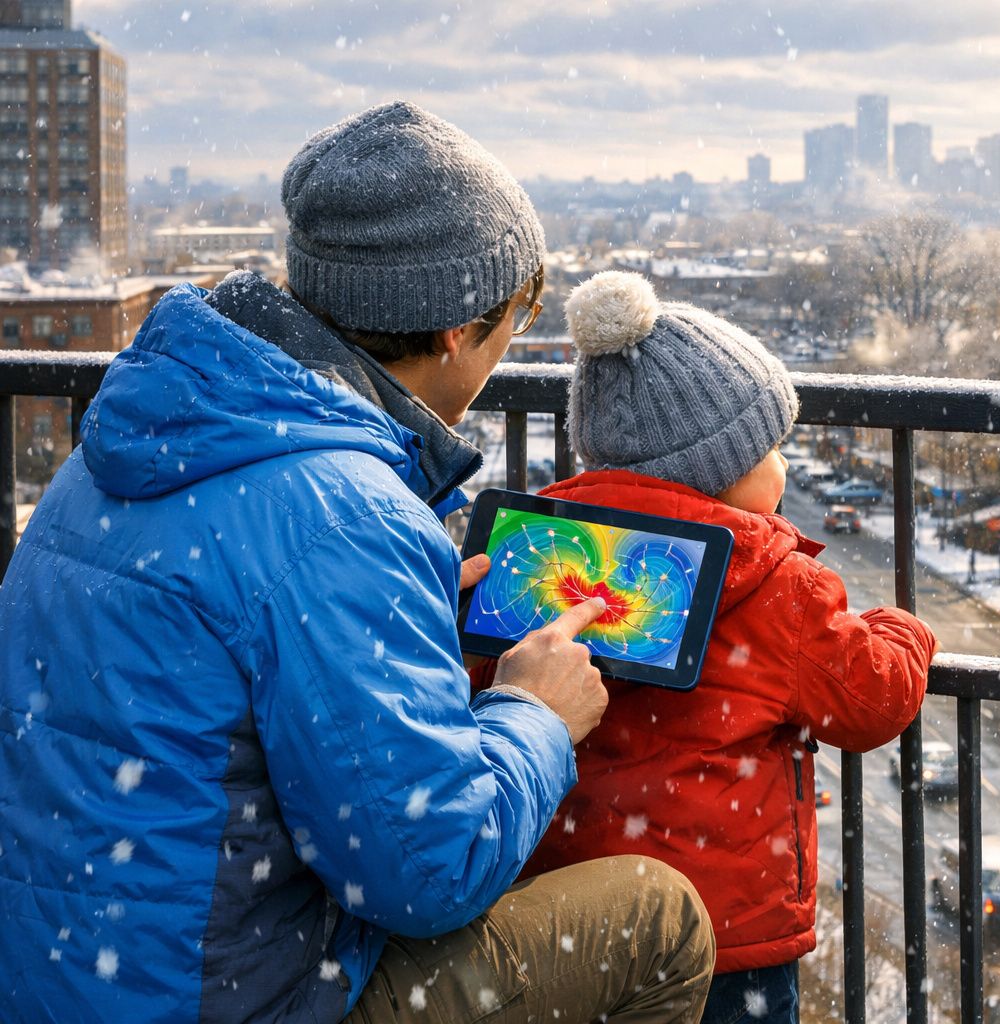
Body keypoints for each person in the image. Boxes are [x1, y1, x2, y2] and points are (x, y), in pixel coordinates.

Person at [0, 102, 713, 1023]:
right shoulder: (341, 517)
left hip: (66, 979)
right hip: (235, 999)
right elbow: (426, 872)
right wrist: (535, 714)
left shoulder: (134, 442)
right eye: (518, 313)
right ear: (459, 329)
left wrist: (396, 604)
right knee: (657, 921)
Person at [520, 271, 938, 1023]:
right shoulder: (773, 588)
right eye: (774, 446)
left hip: (564, 924)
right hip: (723, 938)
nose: (783, 465)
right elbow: (872, 701)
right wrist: (903, 628)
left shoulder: (545, 563)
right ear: (724, 469)